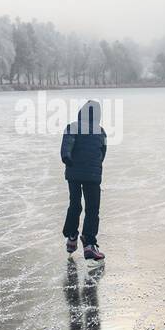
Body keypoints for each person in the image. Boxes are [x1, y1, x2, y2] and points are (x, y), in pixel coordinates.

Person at [60, 99, 106, 260]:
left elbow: (67, 144)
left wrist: (67, 157)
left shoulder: (72, 126)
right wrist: (96, 165)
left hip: (74, 172)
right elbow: (103, 152)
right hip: (93, 175)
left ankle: (71, 236)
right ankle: (89, 243)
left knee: (75, 204)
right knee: (92, 209)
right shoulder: (100, 131)